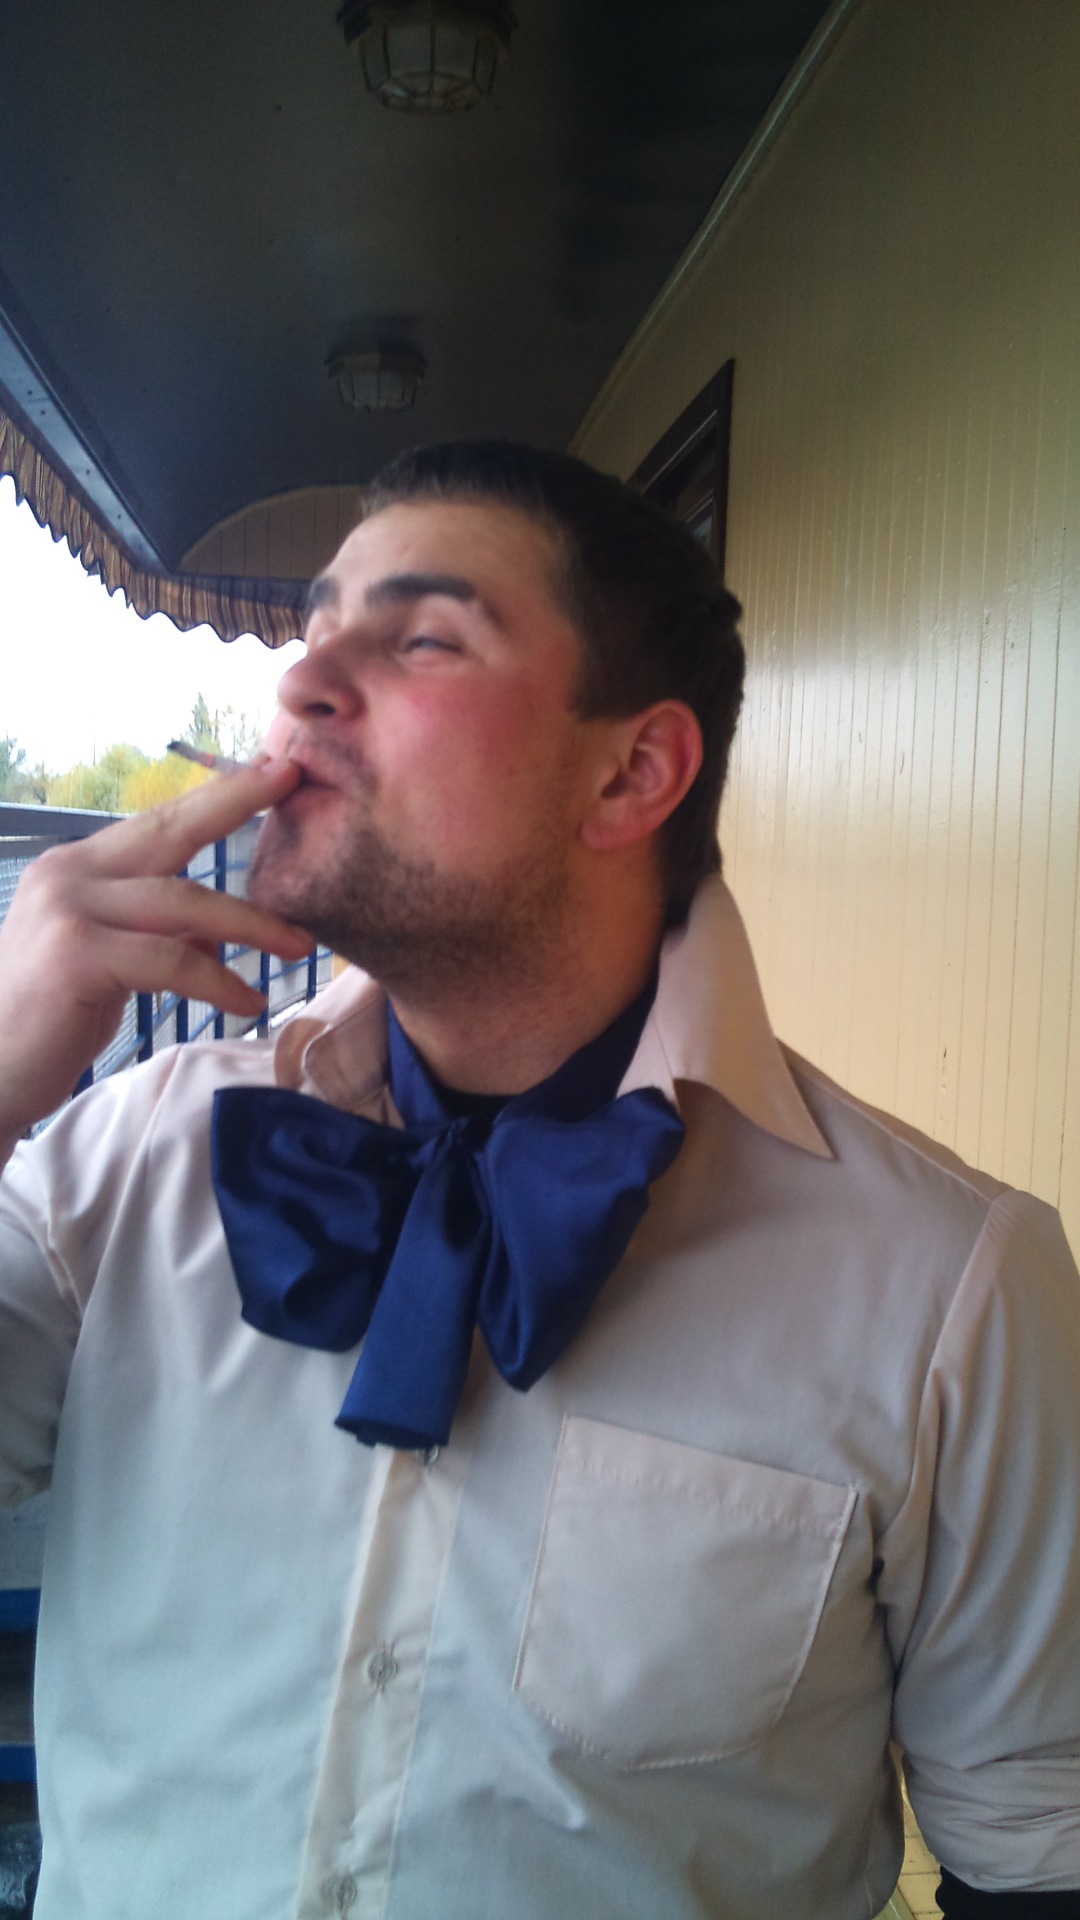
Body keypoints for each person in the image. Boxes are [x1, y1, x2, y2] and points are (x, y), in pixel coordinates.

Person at [0, 443, 1077, 1920]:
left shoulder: (957, 1289)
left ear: (632, 772)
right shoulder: (114, 1163)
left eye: (422, 640)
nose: (301, 683)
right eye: (317, 629)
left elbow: (1039, 1859)